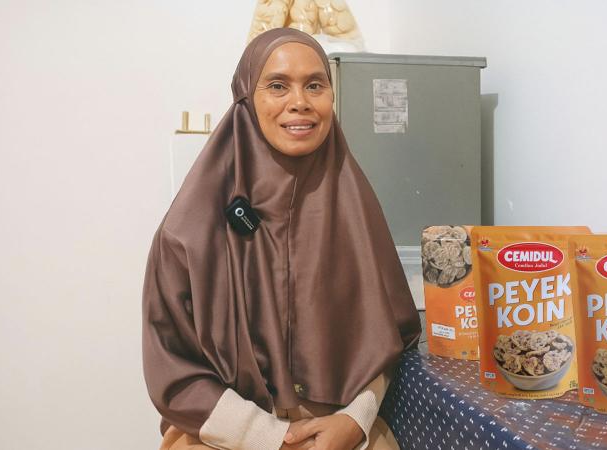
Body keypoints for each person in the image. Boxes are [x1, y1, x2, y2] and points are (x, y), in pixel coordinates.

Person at [142, 28, 421, 450]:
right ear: (246, 100)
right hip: (221, 435)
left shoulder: (359, 214)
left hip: (341, 430)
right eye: (277, 85)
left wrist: (355, 419)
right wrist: (273, 438)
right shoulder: (186, 232)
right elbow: (172, 367)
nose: (300, 102)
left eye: (315, 85)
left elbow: (391, 335)